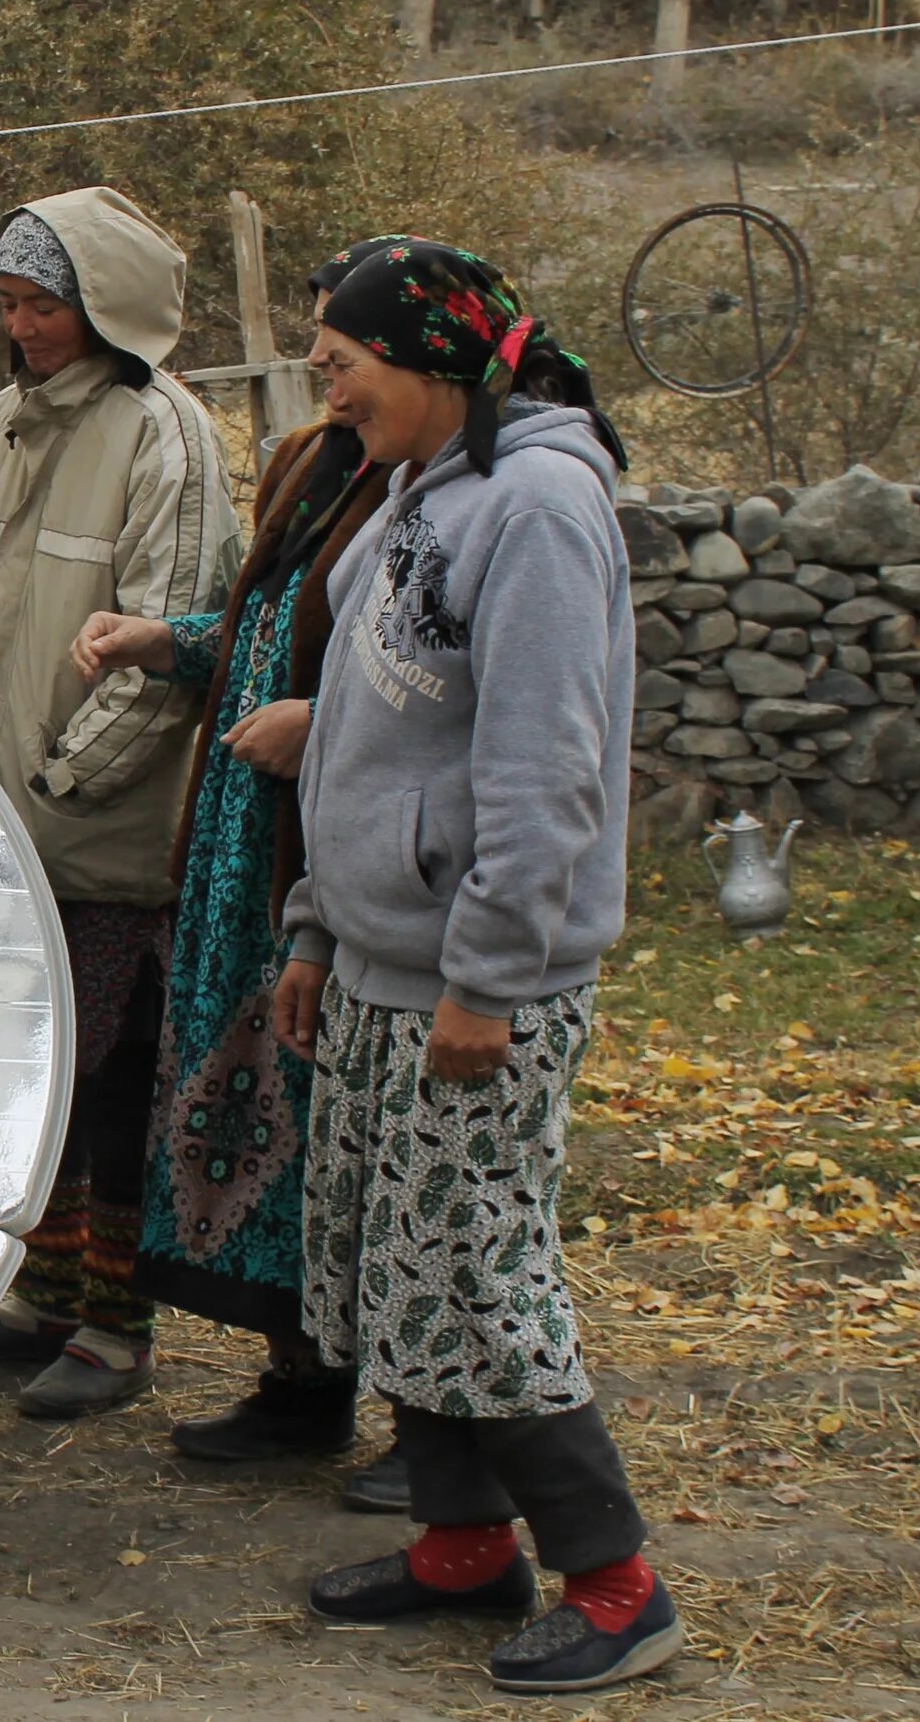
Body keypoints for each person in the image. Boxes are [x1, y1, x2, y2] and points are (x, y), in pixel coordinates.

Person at [270, 240, 676, 1695]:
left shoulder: (544, 509)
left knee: (478, 1270)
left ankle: (618, 1580)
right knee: (394, 1260)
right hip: (386, 958)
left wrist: (486, 983)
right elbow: (369, 740)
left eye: (342, 360)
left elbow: (545, 772)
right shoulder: (408, 498)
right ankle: (461, 1542)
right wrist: (319, 919)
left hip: (479, 981)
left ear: (432, 356)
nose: (329, 389)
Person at [0, 186, 243, 1418]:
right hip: (0, 812)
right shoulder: (4, 418)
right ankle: (44, 1294)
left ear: (107, 305)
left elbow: (175, 650)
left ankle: (118, 1319)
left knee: (108, 1075)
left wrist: (58, 783)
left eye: (45, 302)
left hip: (92, 822)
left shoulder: (167, 437)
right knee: (29, 1069)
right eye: (9, 302)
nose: (25, 326)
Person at [67, 246, 406, 1510]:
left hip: (330, 849)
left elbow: (417, 681)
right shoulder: (320, 467)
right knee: (258, 1101)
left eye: (343, 349)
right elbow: (263, 629)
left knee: (342, 1128)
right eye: (318, 343)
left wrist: (318, 722)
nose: (320, 364)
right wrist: (167, 643)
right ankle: (301, 1379)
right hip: (238, 851)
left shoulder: (432, 495)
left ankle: (421, 1418)